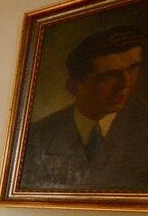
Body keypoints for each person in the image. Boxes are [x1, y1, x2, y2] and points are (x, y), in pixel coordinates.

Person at [21, 26, 148, 191]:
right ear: (74, 86)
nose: (125, 84)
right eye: (108, 76)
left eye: (133, 69)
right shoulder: (36, 136)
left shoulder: (142, 127)